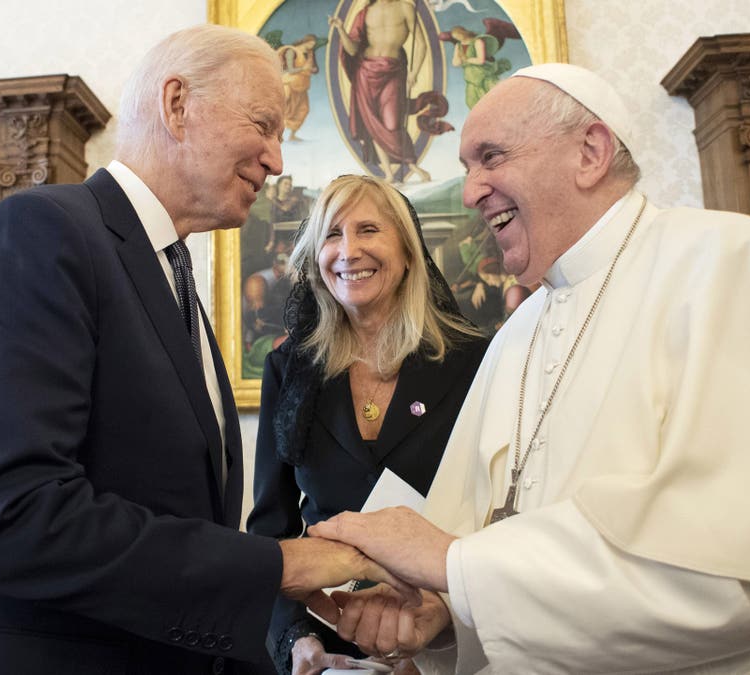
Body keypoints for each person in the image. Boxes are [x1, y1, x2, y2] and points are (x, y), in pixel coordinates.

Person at [309, 63, 750, 673]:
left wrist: (456, 566)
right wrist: (449, 615)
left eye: (491, 157)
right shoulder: (516, 335)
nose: (471, 191)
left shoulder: (736, 264)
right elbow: (504, 544)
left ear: (590, 151)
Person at [0, 25, 412, 675]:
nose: (277, 160)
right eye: (263, 124)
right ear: (177, 105)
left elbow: (171, 544)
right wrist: (282, 562)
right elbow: (11, 518)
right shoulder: (42, 233)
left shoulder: (172, 282)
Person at [247, 175, 489, 675]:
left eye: (368, 230)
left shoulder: (476, 361)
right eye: (332, 234)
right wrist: (295, 640)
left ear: (407, 253)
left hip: (449, 637)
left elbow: (496, 515)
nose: (348, 251)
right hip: (330, 649)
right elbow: (271, 529)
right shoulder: (289, 369)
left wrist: (442, 622)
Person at [329, 0, 445, 183]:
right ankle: (389, 174)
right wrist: (341, 29)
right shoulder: (365, 12)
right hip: (365, 72)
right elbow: (351, 49)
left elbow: (421, 44)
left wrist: (414, 72)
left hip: (392, 71)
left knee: (392, 123)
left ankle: (412, 165)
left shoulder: (405, 8)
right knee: (372, 123)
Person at [276, 34, 320, 141]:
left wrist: (312, 69)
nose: (311, 46)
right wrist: (303, 68)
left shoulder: (309, 54)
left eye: (313, 45)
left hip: (301, 86)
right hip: (289, 83)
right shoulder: (292, 51)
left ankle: (292, 135)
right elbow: (290, 70)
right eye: (310, 44)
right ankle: (277, 134)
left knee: (303, 109)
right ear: (305, 41)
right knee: (283, 108)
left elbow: (314, 69)